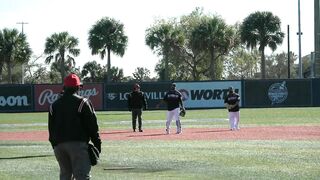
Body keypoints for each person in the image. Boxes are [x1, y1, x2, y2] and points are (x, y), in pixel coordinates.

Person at [48, 73, 101, 180]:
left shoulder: (54, 105)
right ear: (78, 87)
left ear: (64, 87)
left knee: (65, 176)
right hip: (78, 145)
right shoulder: (83, 102)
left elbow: (51, 129)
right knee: (82, 176)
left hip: (59, 146)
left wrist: (55, 145)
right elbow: (92, 126)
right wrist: (97, 144)